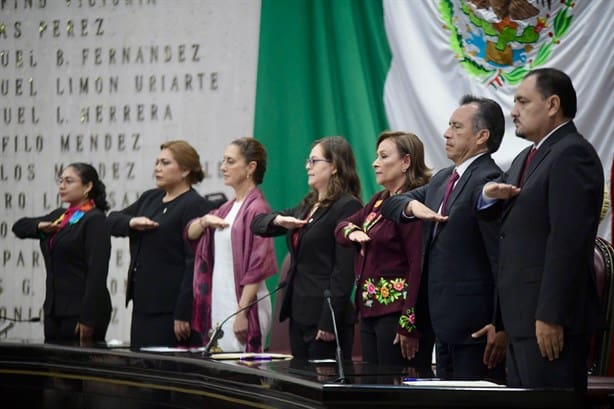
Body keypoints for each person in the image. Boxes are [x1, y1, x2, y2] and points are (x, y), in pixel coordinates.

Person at [478, 68, 604, 393]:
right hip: (521, 321)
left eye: (522, 101)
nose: (513, 111)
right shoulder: (525, 157)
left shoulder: (572, 154)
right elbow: (513, 234)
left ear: (552, 104)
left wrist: (551, 315)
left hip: (548, 322)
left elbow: (568, 242)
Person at [381, 95, 507, 381]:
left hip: (476, 327)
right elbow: (392, 204)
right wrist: (411, 206)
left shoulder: (488, 178)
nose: (446, 133)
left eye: (456, 127)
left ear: (481, 136)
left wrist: (501, 323)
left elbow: (499, 256)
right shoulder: (443, 178)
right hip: (439, 321)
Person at [251, 136, 362, 360]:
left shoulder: (347, 205)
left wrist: (328, 321)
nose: (307, 167)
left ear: (334, 166)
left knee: (322, 384)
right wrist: (279, 221)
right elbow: (257, 224)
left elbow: (343, 271)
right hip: (298, 312)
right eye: (307, 161)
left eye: (314, 161)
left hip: (324, 315)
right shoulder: (308, 205)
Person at [334, 131, 434, 374]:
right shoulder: (379, 201)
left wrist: (408, 323)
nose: (375, 163)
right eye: (376, 156)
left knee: (394, 388)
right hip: (369, 309)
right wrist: (352, 233)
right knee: (373, 386)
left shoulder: (413, 205)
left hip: (397, 314)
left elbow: (417, 265)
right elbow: (341, 226)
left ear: (406, 162)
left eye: (384, 156)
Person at [107, 140, 214, 348]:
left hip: (171, 309)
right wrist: (131, 222)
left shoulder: (194, 204)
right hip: (143, 302)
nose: (157, 168)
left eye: (165, 163)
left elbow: (194, 264)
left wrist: (183, 313)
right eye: (157, 162)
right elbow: (111, 221)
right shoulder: (150, 198)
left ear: (184, 171)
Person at [186, 137, 277, 353]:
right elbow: (190, 232)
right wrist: (204, 220)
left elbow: (258, 266)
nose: (223, 167)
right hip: (221, 304)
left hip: (242, 308)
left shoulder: (257, 209)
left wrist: (242, 313)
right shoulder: (227, 208)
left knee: (245, 376)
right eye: (223, 161)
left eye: (230, 161)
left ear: (250, 167)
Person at [12, 163, 112, 345]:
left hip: (81, 311)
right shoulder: (59, 216)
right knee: (52, 368)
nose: (62, 186)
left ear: (88, 186)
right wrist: (39, 227)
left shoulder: (95, 219)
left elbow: (97, 272)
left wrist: (87, 318)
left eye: (69, 181)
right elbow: (19, 227)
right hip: (54, 309)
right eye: (60, 181)